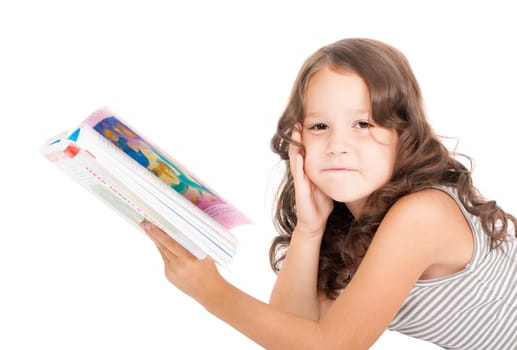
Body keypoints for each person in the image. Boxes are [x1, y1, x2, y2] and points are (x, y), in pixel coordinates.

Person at [140, 38, 517, 349]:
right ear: (298, 141)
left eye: (362, 123)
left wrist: (211, 292)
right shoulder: (350, 230)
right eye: (320, 126)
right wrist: (308, 227)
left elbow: (332, 346)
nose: (338, 144)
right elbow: (292, 332)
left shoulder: (422, 214)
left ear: (403, 134)